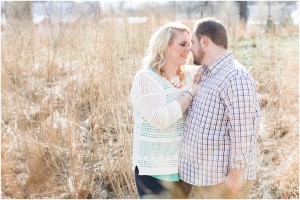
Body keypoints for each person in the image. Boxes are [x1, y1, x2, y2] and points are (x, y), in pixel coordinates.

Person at [179, 17, 261, 199]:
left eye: (192, 42)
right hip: (207, 176)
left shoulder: (235, 77)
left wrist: (235, 175)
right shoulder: (208, 72)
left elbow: (243, 131)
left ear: (204, 41)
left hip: (223, 181)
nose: (190, 48)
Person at [130, 22, 202, 198]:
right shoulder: (146, 78)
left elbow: (218, 68)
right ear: (165, 46)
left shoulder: (190, 75)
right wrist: (191, 94)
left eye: (190, 44)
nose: (188, 49)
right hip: (155, 170)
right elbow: (160, 119)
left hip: (184, 169)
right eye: (182, 44)